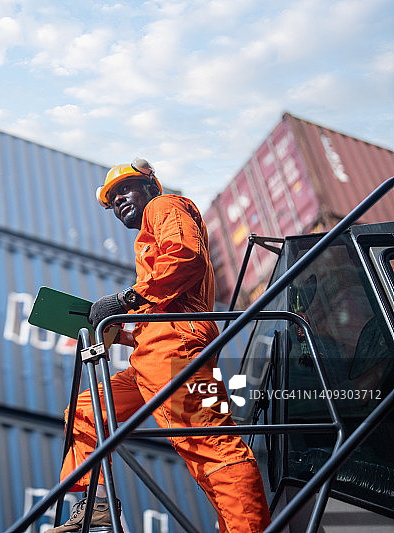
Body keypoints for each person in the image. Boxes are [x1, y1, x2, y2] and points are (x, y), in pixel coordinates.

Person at [49, 159, 271, 532]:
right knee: (86, 411)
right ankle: (96, 505)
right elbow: (162, 314)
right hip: (153, 363)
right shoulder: (149, 238)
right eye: (112, 198)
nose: (120, 200)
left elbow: (186, 259)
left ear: (151, 185)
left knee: (212, 446)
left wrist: (125, 300)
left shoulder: (165, 206)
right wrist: (117, 331)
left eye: (127, 188)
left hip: (180, 358)